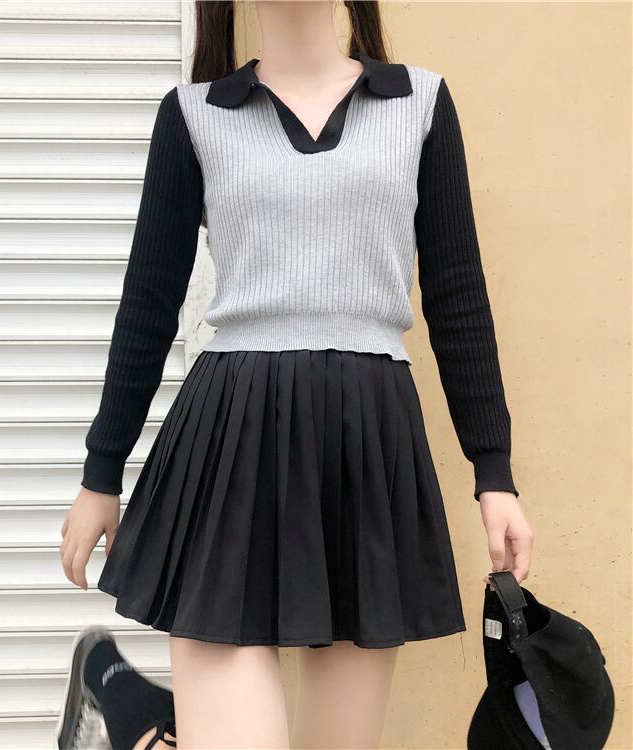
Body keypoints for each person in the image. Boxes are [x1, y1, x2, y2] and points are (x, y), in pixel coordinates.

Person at [59, 1, 535, 747]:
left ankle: (134, 718)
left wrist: (494, 471)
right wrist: (101, 471)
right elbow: (149, 306)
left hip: (367, 454)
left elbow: (458, 298)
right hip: (230, 447)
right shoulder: (195, 117)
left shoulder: (419, 105)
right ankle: (140, 715)